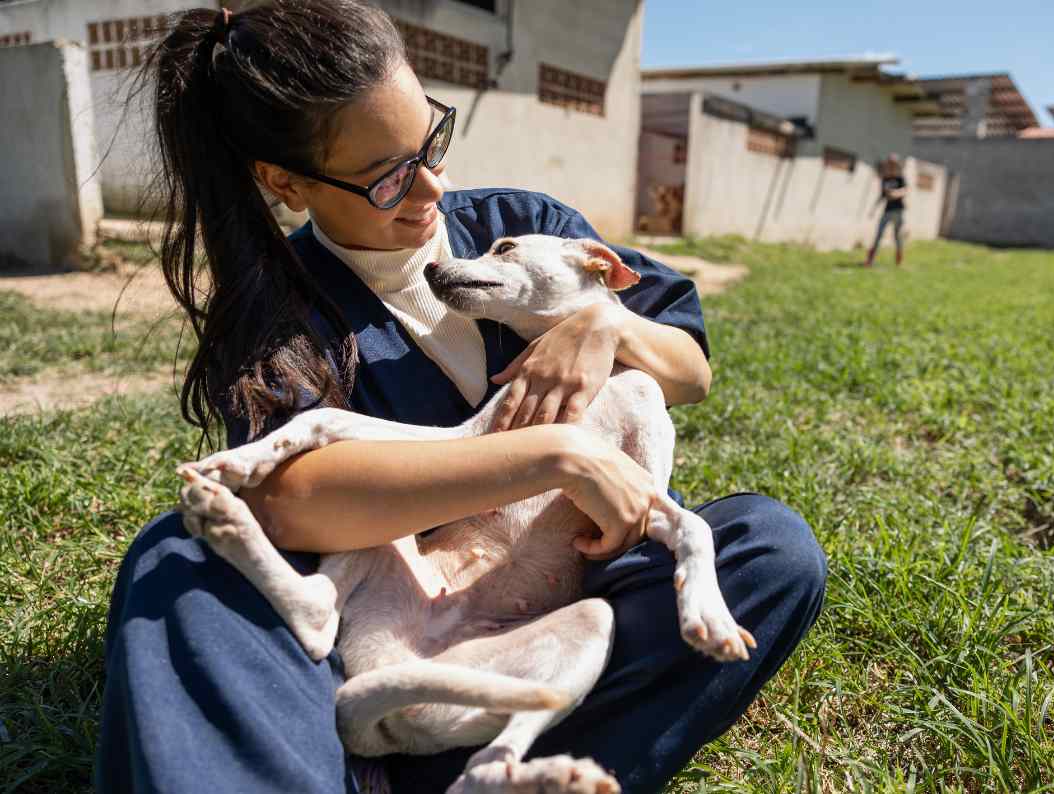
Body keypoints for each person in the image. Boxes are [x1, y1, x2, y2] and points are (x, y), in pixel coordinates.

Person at [94, 3, 827, 792]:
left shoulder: (522, 225)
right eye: (387, 178)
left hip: (573, 589)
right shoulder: (281, 307)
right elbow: (293, 501)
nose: (433, 187)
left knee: (770, 550)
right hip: (389, 619)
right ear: (286, 182)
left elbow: (690, 368)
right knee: (177, 561)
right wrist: (556, 454)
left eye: (431, 144)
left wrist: (605, 324)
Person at [864, 153, 907, 267]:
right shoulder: (885, 179)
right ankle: (870, 260)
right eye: (890, 163)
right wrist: (873, 209)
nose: (891, 166)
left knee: (897, 237)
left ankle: (899, 259)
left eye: (894, 164)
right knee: (878, 235)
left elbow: (905, 191)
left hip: (898, 211)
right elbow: (882, 195)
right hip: (887, 211)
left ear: (897, 165)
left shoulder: (900, 178)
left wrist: (894, 193)